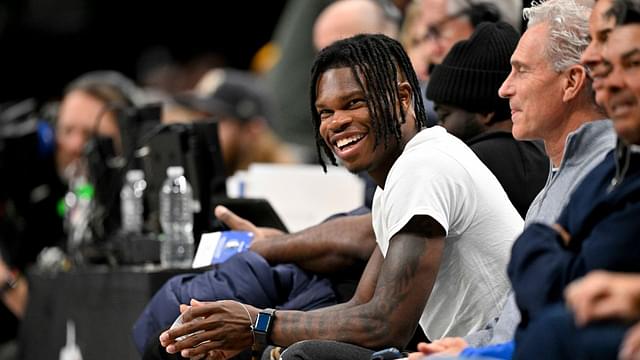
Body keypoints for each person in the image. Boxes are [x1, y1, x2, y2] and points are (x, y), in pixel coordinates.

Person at [158, 33, 522, 360]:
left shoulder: (423, 167)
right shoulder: (401, 175)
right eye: (325, 112)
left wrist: (258, 324)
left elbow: (384, 326)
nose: (335, 123)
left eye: (353, 103)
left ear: (403, 98)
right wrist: (256, 337)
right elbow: (361, 306)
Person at [409, 0, 616, 358]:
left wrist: (472, 355)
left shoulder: (608, 175)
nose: (504, 89)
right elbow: (513, 315)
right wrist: (466, 345)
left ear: (571, 82)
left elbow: (569, 328)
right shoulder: (557, 178)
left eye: (521, 71)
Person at [512, 1, 640, 358]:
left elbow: (562, 295)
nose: (595, 59)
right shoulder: (608, 167)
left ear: (571, 83)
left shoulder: (605, 162)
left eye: (631, 63)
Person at [425, 21, 548, 217]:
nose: (440, 127)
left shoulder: (466, 162)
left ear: (485, 112)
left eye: (444, 115)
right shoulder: (547, 153)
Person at [171, 67, 297, 176]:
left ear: (252, 129)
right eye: (199, 117)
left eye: (213, 119)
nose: (200, 127)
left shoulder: (284, 184)